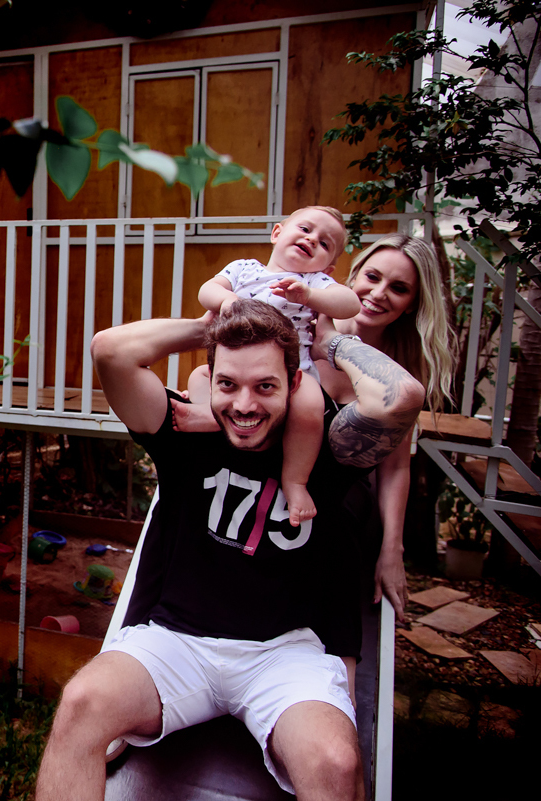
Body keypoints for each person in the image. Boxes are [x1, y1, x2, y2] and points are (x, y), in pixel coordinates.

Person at [34, 300, 424, 801]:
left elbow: (402, 396)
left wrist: (331, 343)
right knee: (81, 704)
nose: (244, 405)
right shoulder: (182, 431)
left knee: (335, 763)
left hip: (284, 655)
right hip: (177, 643)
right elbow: (110, 349)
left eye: (265, 386)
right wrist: (209, 327)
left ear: (295, 383)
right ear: (210, 381)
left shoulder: (324, 450)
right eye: (228, 384)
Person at [188, 206, 360, 528]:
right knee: (199, 377)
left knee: (311, 404)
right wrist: (226, 301)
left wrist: (309, 295)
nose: (312, 239)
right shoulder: (244, 269)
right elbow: (206, 290)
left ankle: (294, 481)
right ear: (277, 233)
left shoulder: (313, 281)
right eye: (306, 229)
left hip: (293, 373)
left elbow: (350, 303)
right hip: (237, 368)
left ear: (328, 266)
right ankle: (208, 418)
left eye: (324, 243)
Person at [314, 233, 456, 619]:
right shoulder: (306, 323)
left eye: (398, 288)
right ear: (353, 275)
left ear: (412, 305)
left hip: (341, 511)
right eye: (372, 277)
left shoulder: (400, 369)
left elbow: (395, 466)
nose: (378, 294)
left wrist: (393, 549)